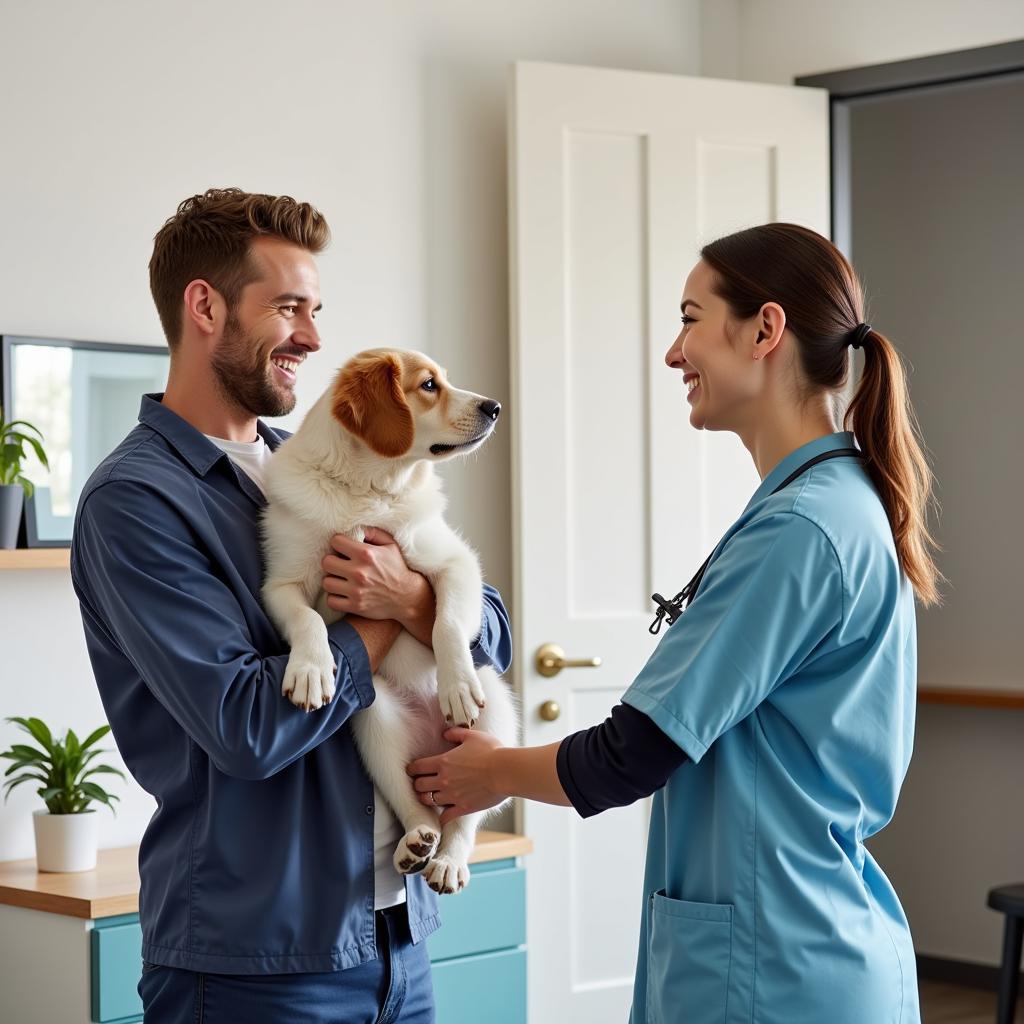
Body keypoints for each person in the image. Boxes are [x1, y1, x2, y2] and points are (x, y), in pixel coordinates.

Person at [407, 223, 940, 1024]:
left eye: (691, 318)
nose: (673, 352)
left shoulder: (801, 528)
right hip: (804, 945)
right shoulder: (836, 503)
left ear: (764, 330)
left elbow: (630, 754)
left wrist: (486, 773)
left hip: (776, 967)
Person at [70, 188, 512, 1024]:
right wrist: (384, 617)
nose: (311, 336)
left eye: (316, 310)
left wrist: (418, 600)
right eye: (287, 308)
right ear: (204, 306)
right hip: (256, 966)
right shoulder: (137, 501)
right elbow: (245, 724)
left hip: (396, 938)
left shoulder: (310, 466)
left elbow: (494, 635)